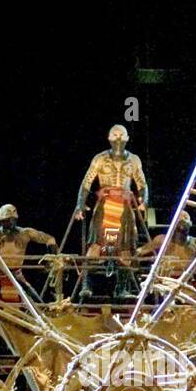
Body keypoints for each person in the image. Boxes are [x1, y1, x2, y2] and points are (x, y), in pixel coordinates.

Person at [75, 125, 149, 301]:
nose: (118, 139)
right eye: (114, 135)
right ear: (108, 137)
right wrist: (80, 205)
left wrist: (144, 201)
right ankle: (87, 284)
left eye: (121, 135)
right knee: (96, 245)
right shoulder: (100, 159)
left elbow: (142, 184)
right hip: (105, 206)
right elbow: (86, 183)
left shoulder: (134, 160)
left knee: (125, 248)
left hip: (124, 208)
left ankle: (121, 288)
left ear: (127, 138)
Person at [0, 203, 56, 344]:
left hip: (16, 275)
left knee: (35, 304)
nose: (9, 224)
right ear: (1, 221)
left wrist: (52, 258)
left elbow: (50, 239)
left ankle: (40, 336)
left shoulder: (25, 233)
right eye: (6, 221)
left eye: (11, 221)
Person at [137, 211, 196, 306]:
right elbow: (140, 251)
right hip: (167, 287)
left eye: (185, 217)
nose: (182, 219)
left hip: (190, 287)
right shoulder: (162, 240)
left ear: (191, 223)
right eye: (179, 217)